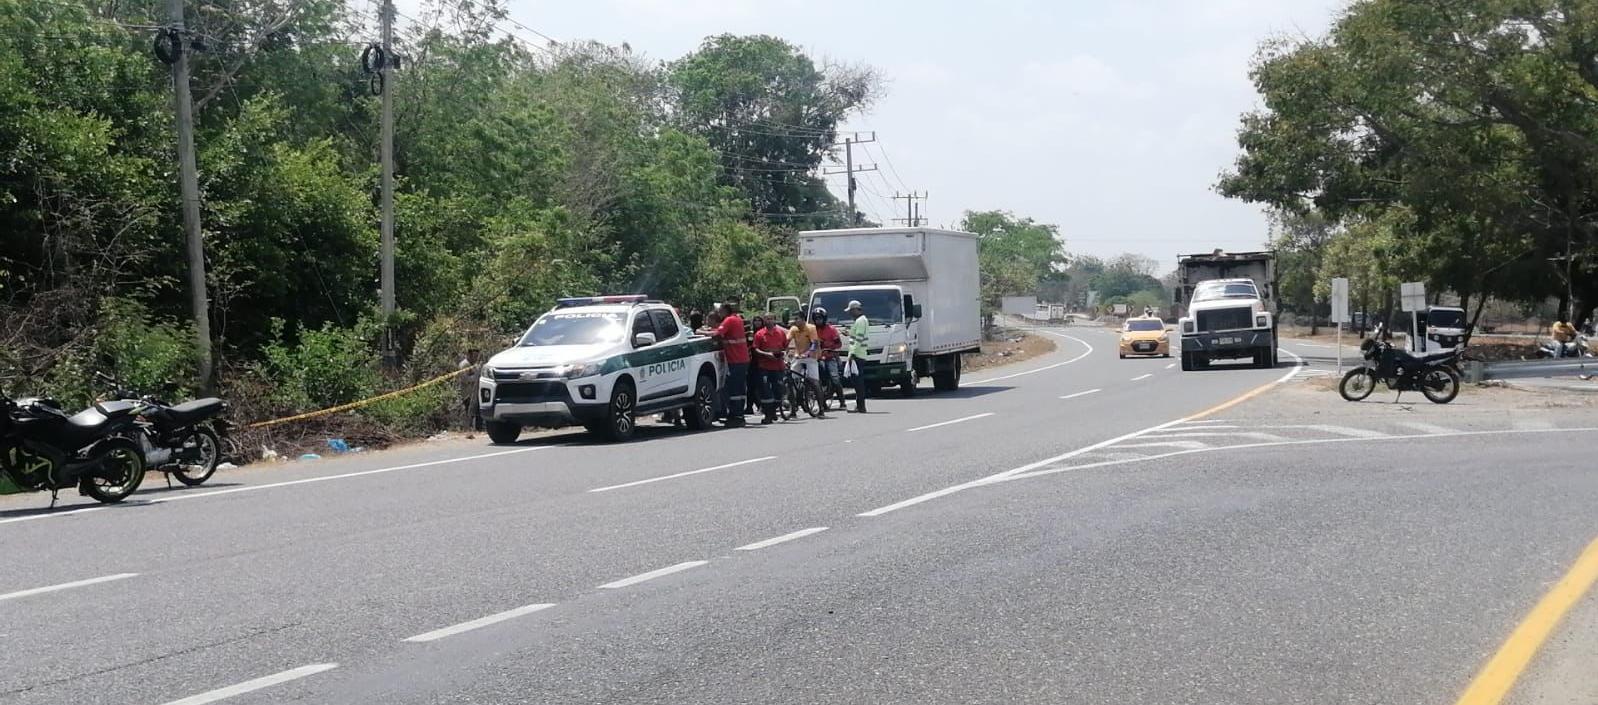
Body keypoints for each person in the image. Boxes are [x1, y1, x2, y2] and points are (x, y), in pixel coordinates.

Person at [708, 302, 749, 426]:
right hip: (741, 359)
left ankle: (736, 415)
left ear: (725, 311)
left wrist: (701, 332)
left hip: (735, 359)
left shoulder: (729, 320)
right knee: (739, 388)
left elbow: (717, 334)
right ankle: (738, 414)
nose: (719, 313)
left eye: (720, 311)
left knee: (733, 388)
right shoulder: (737, 319)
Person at [788, 308, 826, 418]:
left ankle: (821, 408)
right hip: (798, 356)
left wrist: (808, 353)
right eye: (794, 319)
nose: (795, 321)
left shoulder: (811, 328)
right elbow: (786, 340)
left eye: (797, 319)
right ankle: (793, 409)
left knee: (814, 381)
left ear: (803, 319)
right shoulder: (793, 329)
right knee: (791, 380)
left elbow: (814, 343)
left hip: (811, 356)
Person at [752, 313, 789, 424]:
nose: (769, 321)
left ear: (774, 320)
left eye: (771, 319)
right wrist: (766, 354)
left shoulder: (781, 333)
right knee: (766, 392)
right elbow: (755, 349)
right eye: (767, 319)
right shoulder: (759, 334)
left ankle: (773, 411)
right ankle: (768, 415)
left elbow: (786, 347)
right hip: (764, 366)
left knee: (779, 391)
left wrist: (784, 354)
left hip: (778, 366)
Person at [812, 307, 845, 410]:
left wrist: (830, 347)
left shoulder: (831, 329)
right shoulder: (812, 330)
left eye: (820, 318)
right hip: (817, 358)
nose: (818, 320)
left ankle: (842, 402)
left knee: (835, 378)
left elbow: (838, 343)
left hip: (830, 357)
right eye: (816, 318)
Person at [844, 300, 870, 413]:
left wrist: (852, 354)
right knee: (857, 381)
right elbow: (856, 336)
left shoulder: (860, 321)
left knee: (858, 382)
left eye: (851, 311)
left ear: (855, 310)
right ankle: (859, 405)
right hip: (859, 354)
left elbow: (859, 339)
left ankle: (861, 406)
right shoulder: (862, 320)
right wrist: (849, 333)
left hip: (857, 355)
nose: (850, 313)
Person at [457, 347, 483, 432]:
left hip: (474, 393)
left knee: (477, 411)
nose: (476, 358)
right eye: (474, 356)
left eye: (477, 356)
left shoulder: (473, 365)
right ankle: (467, 428)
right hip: (467, 393)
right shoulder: (464, 365)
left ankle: (478, 428)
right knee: (469, 411)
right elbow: (464, 379)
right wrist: (476, 377)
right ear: (469, 355)